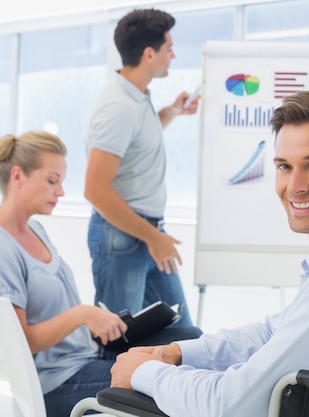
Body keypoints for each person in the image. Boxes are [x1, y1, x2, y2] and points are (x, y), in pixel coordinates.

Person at [109, 87, 309, 417]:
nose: (295, 186)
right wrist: (175, 353)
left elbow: (232, 405)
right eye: (284, 166)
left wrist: (143, 374)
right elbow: (272, 332)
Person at [0, 131, 202, 417]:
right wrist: (81, 315)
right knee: (174, 379)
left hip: (88, 355)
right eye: (52, 180)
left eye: (61, 181)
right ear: (18, 177)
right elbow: (21, 342)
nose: (61, 192)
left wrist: (97, 322)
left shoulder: (35, 230)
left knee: (191, 341)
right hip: (60, 382)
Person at [84, 8, 199, 326]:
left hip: (145, 234)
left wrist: (174, 111)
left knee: (182, 333)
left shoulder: (135, 96)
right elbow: (95, 189)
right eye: (168, 48)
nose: (173, 55)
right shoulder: (118, 107)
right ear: (149, 54)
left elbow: (137, 141)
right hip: (124, 238)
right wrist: (152, 237)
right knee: (119, 341)